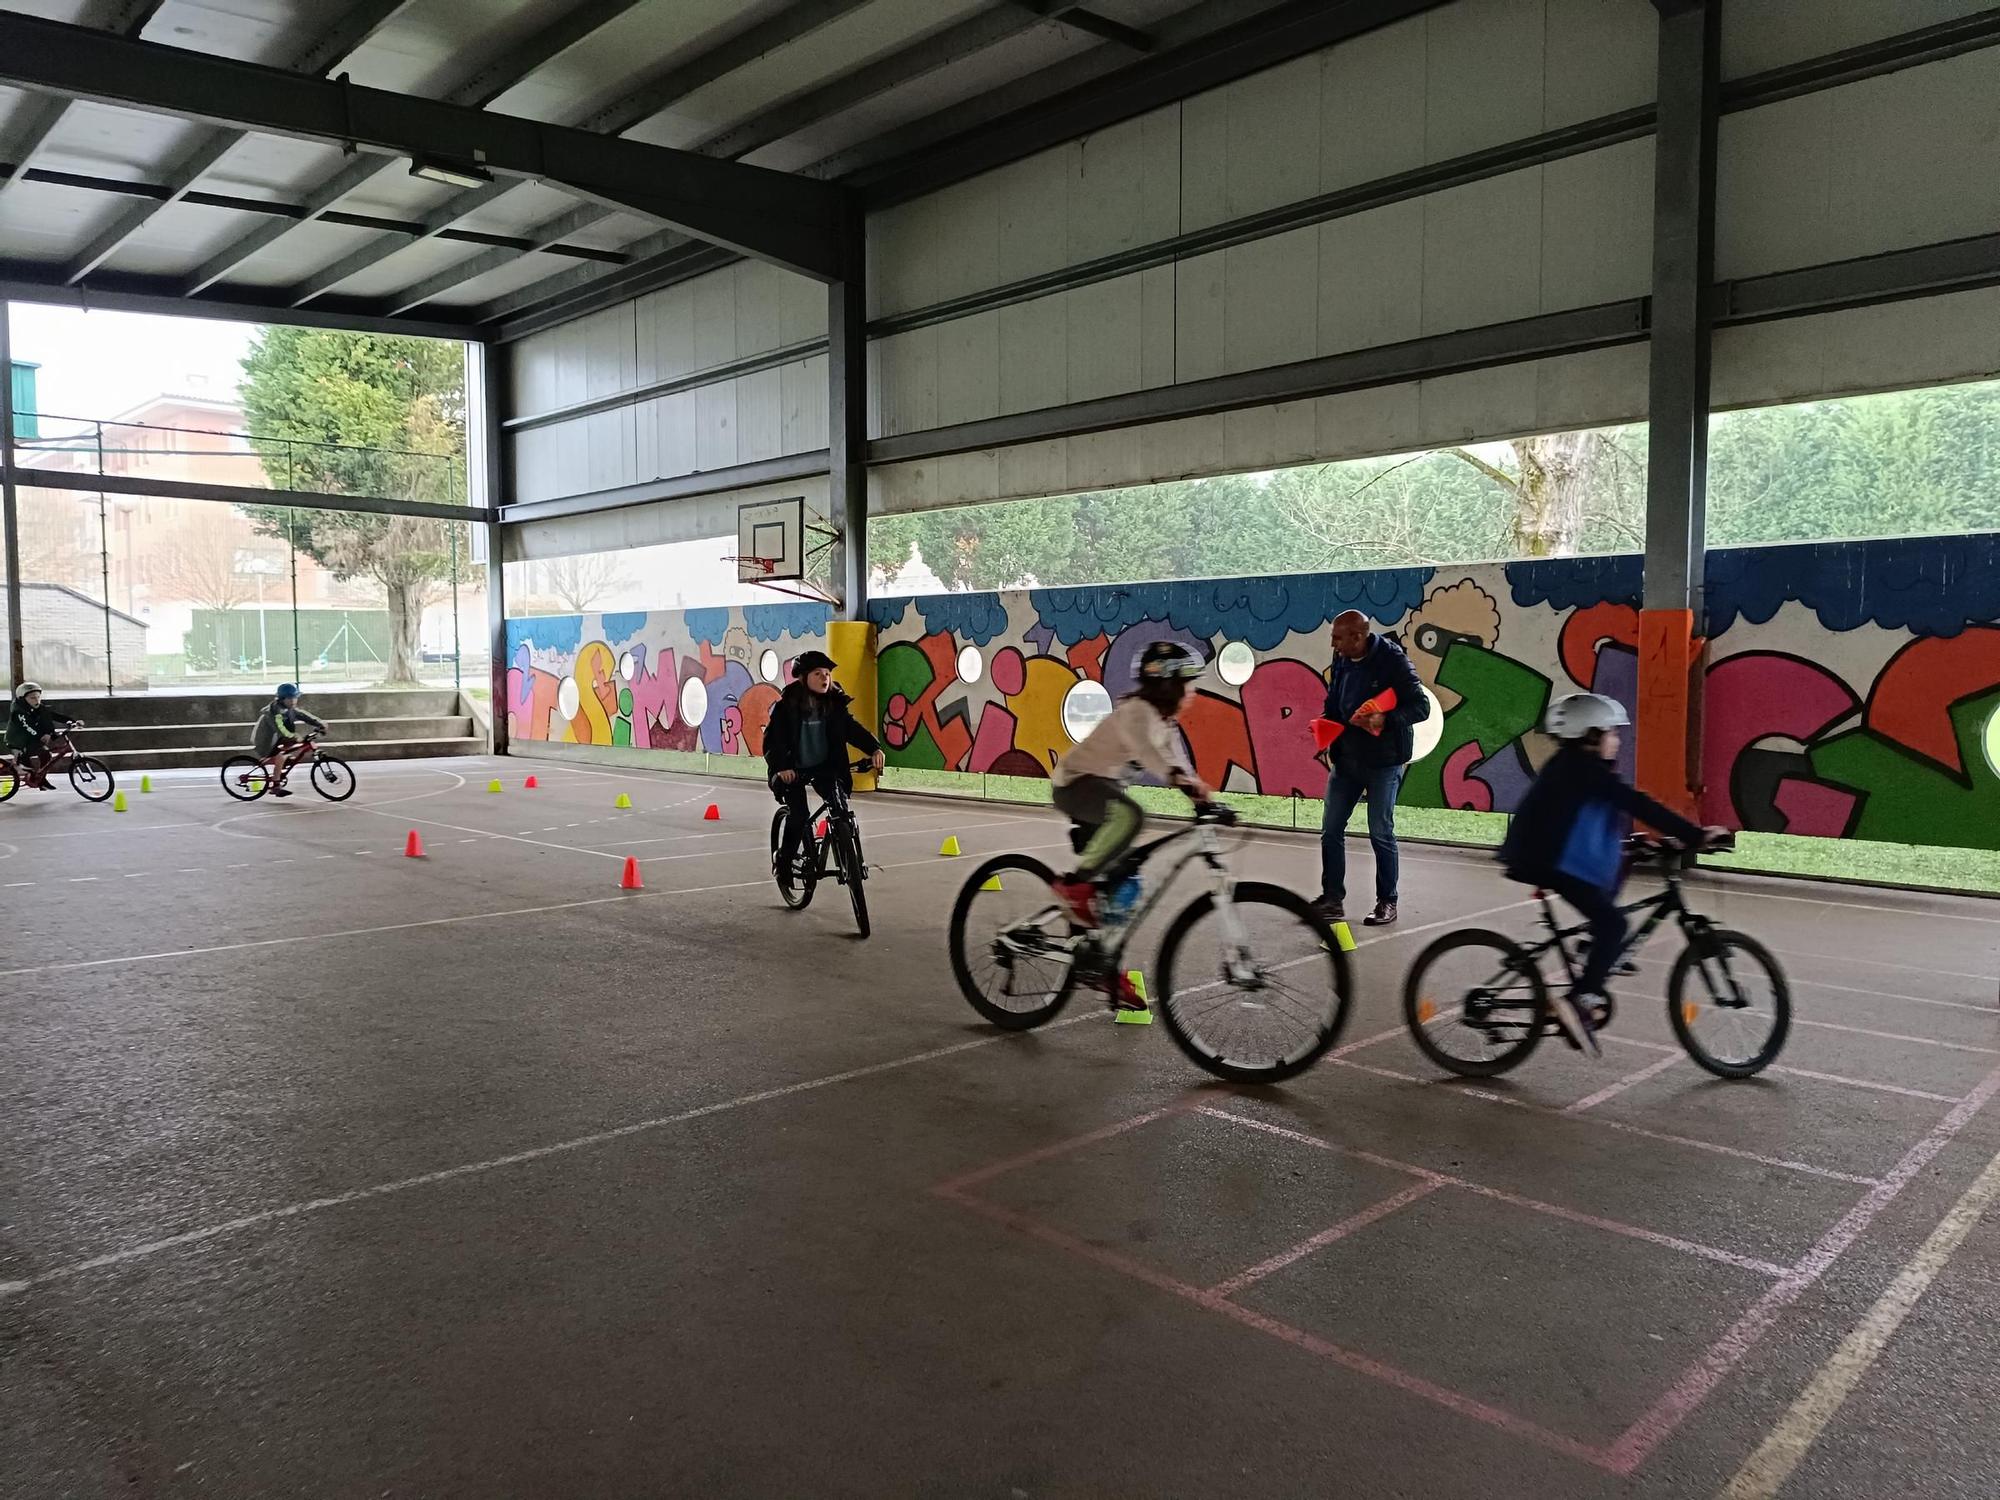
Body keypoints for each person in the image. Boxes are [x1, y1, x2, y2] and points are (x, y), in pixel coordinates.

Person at [1498, 693, 1724, 1057]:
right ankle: (1578, 1000)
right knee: (1614, 926)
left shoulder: (1579, 768)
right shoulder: (1582, 768)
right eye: (1610, 733)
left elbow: (1593, 821)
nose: (1616, 740)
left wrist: (1643, 844)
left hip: (1553, 855)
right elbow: (1634, 802)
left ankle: (1592, 950)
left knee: (1609, 907)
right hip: (1546, 860)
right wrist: (1696, 835)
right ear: (1589, 736)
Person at [1049, 640, 1212, 945]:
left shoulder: (1165, 723)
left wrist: (1201, 797)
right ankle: (1074, 885)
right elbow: (1149, 754)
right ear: (1167, 683)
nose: (1192, 691)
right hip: (1075, 784)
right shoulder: (1136, 712)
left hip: (1104, 788)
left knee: (1124, 885)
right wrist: (1180, 781)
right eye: (1187, 683)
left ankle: (1097, 954)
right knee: (1132, 816)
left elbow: (1179, 763)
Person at [1315, 609, 1429, 929]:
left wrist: (1385, 719)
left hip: (1384, 762)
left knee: (1380, 832)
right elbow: (1334, 700)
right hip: (1347, 758)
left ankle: (1387, 901)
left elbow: (1421, 707)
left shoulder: (1394, 661)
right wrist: (1325, 727)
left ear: (1358, 636)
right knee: (1331, 829)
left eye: (1338, 638)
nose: (1333, 644)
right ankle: (1332, 898)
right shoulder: (1341, 659)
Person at [764, 650, 885, 890]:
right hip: (793, 770)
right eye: (818, 673)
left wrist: (874, 749)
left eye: (828, 673)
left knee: (840, 809)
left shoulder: (834, 704)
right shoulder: (786, 707)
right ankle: (784, 863)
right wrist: (782, 768)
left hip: (824, 768)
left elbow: (851, 729)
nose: (825, 678)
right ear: (803, 678)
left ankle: (849, 858)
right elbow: (773, 742)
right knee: (799, 817)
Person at [252, 683, 328, 798]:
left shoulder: (289, 709)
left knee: (291, 750)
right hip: (267, 742)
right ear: (282, 699)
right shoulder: (273, 713)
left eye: (295, 698)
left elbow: (303, 715)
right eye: (290, 698)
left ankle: (280, 762)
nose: (293, 701)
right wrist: (295, 736)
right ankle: (275, 786)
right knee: (281, 757)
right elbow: (280, 730)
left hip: (279, 739)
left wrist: (319, 722)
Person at [6, 682, 79, 789]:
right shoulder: (19, 712)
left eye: (38, 697)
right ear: (22, 699)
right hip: (18, 741)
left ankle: (41, 779)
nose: (37, 701)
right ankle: (28, 771)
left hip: (31, 739)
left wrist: (72, 721)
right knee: (30, 758)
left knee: (46, 755)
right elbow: (28, 727)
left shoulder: (38, 707)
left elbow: (53, 715)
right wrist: (41, 735)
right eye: (32, 698)